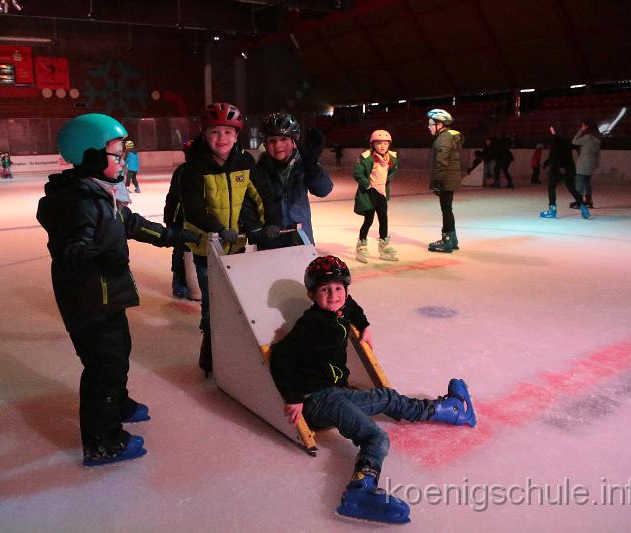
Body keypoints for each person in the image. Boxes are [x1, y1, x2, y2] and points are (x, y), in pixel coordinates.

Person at [36, 113, 198, 467]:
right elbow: (71, 250)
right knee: (103, 367)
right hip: (88, 300)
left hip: (108, 294)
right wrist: (98, 257)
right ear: (91, 156)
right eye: (116, 154)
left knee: (119, 351)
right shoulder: (76, 203)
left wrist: (173, 236)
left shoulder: (99, 193)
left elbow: (130, 224)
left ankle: (118, 403)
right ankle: (102, 441)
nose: (123, 161)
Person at [269, 255, 476, 524]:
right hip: (317, 400)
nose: (333, 295)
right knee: (375, 437)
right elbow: (281, 356)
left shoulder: (342, 308)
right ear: (311, 294)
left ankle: (449, 410)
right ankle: (360, 491)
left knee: (387, 397)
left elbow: (352, 307)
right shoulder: (311, 325)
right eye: (325, 290)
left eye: (338, 288)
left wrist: (364, 325)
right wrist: (294, 397)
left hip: (336, 392)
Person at [179, 102, 280, 376]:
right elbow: (193, 207)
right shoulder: (194, 168)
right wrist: (217, 227)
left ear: (236, 135)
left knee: (237, 300)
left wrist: (271, 221)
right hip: (206, 247)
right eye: (214, 132)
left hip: (234, 245)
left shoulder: (244, 162)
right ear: (204, 135)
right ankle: (210, 352)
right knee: (213, 303)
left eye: (227, 132)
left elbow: (263, 194)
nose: (221, 138)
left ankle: (235, 348)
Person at [248, 112, 332, 248]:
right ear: (265, 143)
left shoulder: (303, 163)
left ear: (294, 142)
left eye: (284, 139)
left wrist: (312, 166)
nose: (278, 145)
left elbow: (324, 190)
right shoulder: (259, 170)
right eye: (272, 141)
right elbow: (250, 204)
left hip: (301, 235)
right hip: (272, 238)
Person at [353, 130, 399, 263]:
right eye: (379, 143)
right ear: (373, 144)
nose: (382, 146)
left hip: (382, 193)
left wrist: (388, 179)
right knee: (368, 220)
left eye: (385, 143)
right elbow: (358, 173)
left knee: (384, 220)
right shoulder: (367, 157)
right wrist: (368, 186)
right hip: (369, 194)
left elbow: (394, 170)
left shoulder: (391, 158)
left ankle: (383, 245)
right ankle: (361, 245)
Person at [426, 109, 464, 253]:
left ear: (440, 124)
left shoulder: (443, 138)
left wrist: (437, 182)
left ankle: (447, 241)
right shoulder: (446, 137)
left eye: (431, 124)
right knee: (447, 209)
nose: (429, 127)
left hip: (446, 179)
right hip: (449, 178)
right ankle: (452, 239)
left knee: (446, 209)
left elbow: (442, 162)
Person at [163, 140, 192, 299]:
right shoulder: (182, 171)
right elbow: (173, 197)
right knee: (180, 250)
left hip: (198, 220)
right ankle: (179, 281)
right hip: (181, 219)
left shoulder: (206, 169)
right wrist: (170, 220)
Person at [540, 126, 590, 219]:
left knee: (551, 187)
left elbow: (556, 154)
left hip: (558, 169)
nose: (551, 130)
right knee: (572, 188)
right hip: (569, 168)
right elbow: (559, 154)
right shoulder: (566, 141)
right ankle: (584, 208)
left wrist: (560, 166)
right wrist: (547, 163)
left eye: (552, 129)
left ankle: (552, 210)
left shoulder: (555, 141)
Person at [570, 120, 601, 209]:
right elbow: (598, 154)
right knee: (587, 182)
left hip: (583, 164)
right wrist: (596, 163)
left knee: (579, 182)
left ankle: (579, 201)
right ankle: (588, 200)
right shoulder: (597, 140)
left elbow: (574, 141)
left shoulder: (587, 138)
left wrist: (581, 130)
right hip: (591, 164)